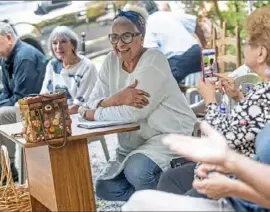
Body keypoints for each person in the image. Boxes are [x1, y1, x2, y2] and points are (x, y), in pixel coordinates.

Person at [79, 6, 197, 201]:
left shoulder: (153, 60)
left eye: (126, 36)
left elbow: (134, 113)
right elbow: (92, 101)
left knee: (137, 170)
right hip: (133, 143)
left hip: (170, 134)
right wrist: (116, 99)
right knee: (104, 187)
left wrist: (92, 113)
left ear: (140, 38)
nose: (120, 44)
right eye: (114, 38)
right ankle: (165, 195)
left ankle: (160, 203)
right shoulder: (110, 61)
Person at [157, 6, 270, 197]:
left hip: (236, 176)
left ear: (261, 53)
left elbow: (220, 140)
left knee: (176, 190)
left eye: (247, 42)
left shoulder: (262, 94)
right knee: (170, 178)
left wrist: (209, 100)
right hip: (239, 165)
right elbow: (253, 120)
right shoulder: (261, 91)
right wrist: (237, 97)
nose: (244, 46)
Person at [122, 122, 270, 211]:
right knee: (153, 191)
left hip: (247, 204)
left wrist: (233, 186)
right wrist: (229, 166)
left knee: (140, 203)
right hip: (244, 194)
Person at [0, 22, 47, 188]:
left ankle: (7, 165)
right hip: (22, 103)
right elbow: (6, 92)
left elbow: (22, 97)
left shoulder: (24, 56)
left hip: (39, 108)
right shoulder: (7, 57)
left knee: (4, 112)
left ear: (8, 38)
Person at [142, 2, 207, 83]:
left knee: (160, 84)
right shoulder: (170, 15)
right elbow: (195, 23)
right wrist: (205, 45)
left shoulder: (147, 24)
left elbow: (152, 52)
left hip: (179, 59)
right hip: (197, 53)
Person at [40, 26, 97, 114]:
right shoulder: (52, 65)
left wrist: (55, 114)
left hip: (79, 116)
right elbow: (44, 96)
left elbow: (80, 106)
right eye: (54, 43)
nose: (58, 47)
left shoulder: (87, 67)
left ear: (73, 45)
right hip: (55, 116)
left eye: (63, 41)